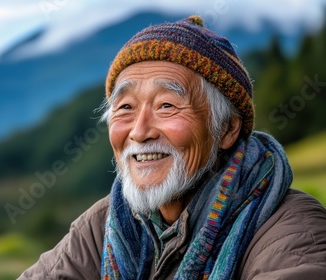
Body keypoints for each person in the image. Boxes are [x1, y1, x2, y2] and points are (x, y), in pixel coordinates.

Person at [19, 15, 326, 279]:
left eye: (167, 105)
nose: (139, 132)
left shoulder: (293, 231)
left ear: (227, 129)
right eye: (125, 107)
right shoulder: (104, 225)